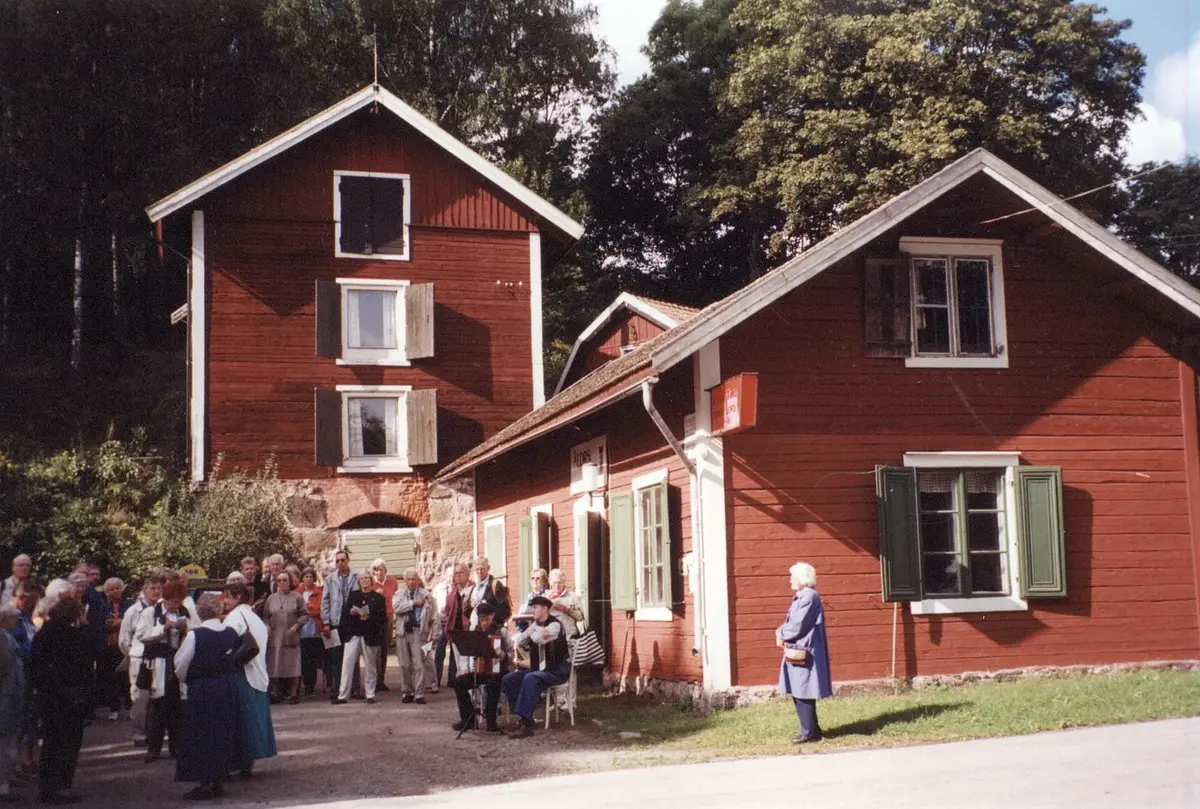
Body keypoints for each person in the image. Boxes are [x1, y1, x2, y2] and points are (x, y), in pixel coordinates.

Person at [173, 594, 242, 801]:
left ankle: (205, 782)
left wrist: (188, 680)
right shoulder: (231, 633)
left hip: (204, 687)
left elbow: (181, 665)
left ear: (200, 612)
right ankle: (219, 779)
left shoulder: (196, 635)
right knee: (223, 732)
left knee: (202, 734)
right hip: (227, 686)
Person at [29, 595, 90, 804]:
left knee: (51, 742)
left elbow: (35, 664)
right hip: (69, 694)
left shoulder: (44, 632)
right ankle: (62, 786)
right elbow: (85, 661)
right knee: (68, 742)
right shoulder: (73, 635)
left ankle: (47, 787)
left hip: (49, 694)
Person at [221, 581, 276, 777]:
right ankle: (247, 764)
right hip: (258, 672)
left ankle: (236, 764)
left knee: (240, 721)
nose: (224, 601)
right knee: (251, 719)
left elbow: (226, 644)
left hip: (243, 673)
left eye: (227, 597)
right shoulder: (254, 617)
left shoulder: (235, 617)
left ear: (237, 598)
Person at [776, 561, 832, 744]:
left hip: (805, 650)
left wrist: (780, 634)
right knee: (801, 688)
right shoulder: (804, 596)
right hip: (800, 648)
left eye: (793, 576)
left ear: (802, 578)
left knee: (802, 690)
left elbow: (797, 625)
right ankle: (813, 730)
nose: (790, 580)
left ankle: (807, 732)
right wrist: (782, 633)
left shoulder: (808, 597)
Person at [138, 577, 191, 763]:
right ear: (165, 599)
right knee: (158, 708)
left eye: (179, 602)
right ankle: (154, 748)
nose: (175, 606)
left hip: (178, 661)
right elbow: (141, 636)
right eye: (172, 602)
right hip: (159, 662)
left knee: (178, 708)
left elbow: (195, 631)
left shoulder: (186, 612)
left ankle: (177, 747)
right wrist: (162, 628)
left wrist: (185, 628)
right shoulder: (151, 613)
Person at [502, 596, 570, 739]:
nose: (532, 610)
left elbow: (538, 638)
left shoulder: (555, 625)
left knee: (530, 678)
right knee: (510, 679)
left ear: (545, 608)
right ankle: (524, 718)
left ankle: (526, 726)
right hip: (540, 669)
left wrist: (533, 630)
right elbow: (519, 641)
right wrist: (533, 629)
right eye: (532, 607)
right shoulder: (535, 624)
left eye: (535, 607)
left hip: (556, 670)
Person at [450, 601, 510, 732]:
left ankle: (491, 720)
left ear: (492, 616)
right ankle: (468, 719)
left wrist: (504, 655)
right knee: (459, 682)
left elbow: (512, 653)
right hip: (479, 671)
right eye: (481, 620)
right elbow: (466, 654)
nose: (484, 623)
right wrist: (463, 669)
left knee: (493, 684)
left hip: (498, 671)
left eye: (486, 619)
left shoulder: (502, 631)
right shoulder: (474, 632)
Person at [120, 573, 164, 747]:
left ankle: (154, 732)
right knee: (140, 697)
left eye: (159, 588)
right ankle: (139, 733)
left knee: (157, 695)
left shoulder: (163, 609)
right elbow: (124, 639)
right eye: (152, 588)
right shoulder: (133, 611)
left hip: (158, 658)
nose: (156, 592)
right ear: (144, 590)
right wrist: (133, 654)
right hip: (139, 658)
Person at [336, 571, 385, 705]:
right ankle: (343, 695)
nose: (364, 580)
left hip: (370, 634)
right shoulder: (353, 595)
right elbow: (345, 614)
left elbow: (382, 618)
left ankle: (370, 694)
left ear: (371, 580)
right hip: (354, 633)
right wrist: (352, 613)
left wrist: (369, 617)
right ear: (359, 581)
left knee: (370, 665)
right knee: (347, 664)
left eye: (366, 578)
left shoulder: (378, 598)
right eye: (362, 578)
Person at [262, 569, 308, 704]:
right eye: (279, 580)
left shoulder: (297, 597)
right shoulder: (271, 598)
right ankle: (276, 693)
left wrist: (296, 626)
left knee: (293, 665)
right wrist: (267, 626)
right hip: (275, 637)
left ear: (290, 581)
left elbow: (305, 614)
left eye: (284, 580)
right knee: (274, 665)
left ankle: (293, 694)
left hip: (290, 635)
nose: (282, 582)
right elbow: (265, 616)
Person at [319, 550, 359, 702]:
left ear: (348, 560)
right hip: (335, 621)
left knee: (353, 656)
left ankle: (355, 688)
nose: (340, 563)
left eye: (343, 560)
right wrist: (326, 622)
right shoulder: (330, 579)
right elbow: (325, 601)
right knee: (336, 657)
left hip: (352, 621)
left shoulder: (356, 577)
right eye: (337, 561)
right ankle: (337, 688)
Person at [393, 568, 435, 704]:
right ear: (405, 580)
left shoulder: (426, 595)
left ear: (418, 580)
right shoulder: (399, 593)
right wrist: (413, 603)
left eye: (413, 579)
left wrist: (434, 634)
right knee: (404, 664)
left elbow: (433, 616)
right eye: (408, 579)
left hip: (419, 631)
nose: (411, 582)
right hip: (402, 631)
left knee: (419, 664)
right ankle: (407, 692)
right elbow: (396, 608)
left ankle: (419, 694)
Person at [97, 577, 133, 721]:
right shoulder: (102, 606)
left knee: (127, 677)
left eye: (117, 588)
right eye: (111, 589)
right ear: (107, 592)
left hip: (124, 645)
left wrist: (121, 622)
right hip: (108, 646)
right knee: (110, 678)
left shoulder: (130, 605)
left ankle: (130, 706)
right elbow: (99, 624)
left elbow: (132, 622)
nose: (115, 591)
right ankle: (114, 708)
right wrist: (111, 624)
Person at [0, 604, 26, 803]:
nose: (16, 623)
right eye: (13, 618)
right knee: (6, 742)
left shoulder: (7, 638)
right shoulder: (4, 639)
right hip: (7, 696)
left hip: (10, 694)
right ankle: (3, 786)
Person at [435, 563, 472, 691]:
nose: (458, 576)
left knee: (467, 662)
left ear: (468, 574)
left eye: (461, 573)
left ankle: (465, 687)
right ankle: (459, 686)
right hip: (453, 629)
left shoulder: (473, 589)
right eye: (456, 573)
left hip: (468, 631)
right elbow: (448, 609)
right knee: (455, 660)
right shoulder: (453, 591)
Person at [369, 559, 399, 692]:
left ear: (385, 570)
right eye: (376, 570)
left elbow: (397, 598)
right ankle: (373, 680)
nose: (378, 572)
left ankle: (380, 680)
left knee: (384, 649)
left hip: (388, 617)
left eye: (381, 569)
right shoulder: (371, 584)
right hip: (374, 619)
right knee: (374, 649)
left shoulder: (392, 582)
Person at [297, 568, 325, 698]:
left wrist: (310, 610)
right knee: (304, 660)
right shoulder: (297, 593)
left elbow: (321, 609)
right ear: (302, 578)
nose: (308, 579)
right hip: (301, 630)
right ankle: (304, 685)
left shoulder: (319, 592)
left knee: (313, 660)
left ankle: (311, 687)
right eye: (306, 576)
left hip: (315, 629)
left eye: (310, 577)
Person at [468, 556, 511, 628]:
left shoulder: (495, 585)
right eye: (477, 569)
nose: (479, 571)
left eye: (482, 569)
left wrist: (491, 621)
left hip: (491, 629)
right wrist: (471, 604)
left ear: (488, 568)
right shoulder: (474, 587)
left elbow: (505, 609)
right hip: (476, 628)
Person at [546, 569, 585, 638]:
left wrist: (567, 610)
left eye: (559, 582)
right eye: (554, 582)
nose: (557, 585)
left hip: (569, 636)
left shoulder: (572, 596)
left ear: (564, 582)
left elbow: (580, 617)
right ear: (550, 583)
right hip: (551, 636)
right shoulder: (545, 597)